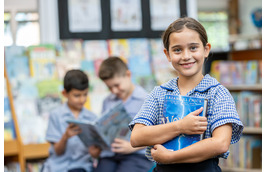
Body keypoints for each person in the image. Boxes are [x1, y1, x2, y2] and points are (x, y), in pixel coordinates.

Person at [129, 17, 244, 172]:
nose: (185, 56)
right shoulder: (159, 93)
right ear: (167, 54)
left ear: (206, 49)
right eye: (177, 50)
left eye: (193, 48)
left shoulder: (217, 93)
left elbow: (220, 143)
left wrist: (171, 157)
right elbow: (137, 137)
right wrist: (180, 126)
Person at [89, 57, 154, 172]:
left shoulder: (146, 99)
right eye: (109, 88)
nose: (114, 91)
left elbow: (156, 134)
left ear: (128, 75)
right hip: (110, 154)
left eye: (117, 85)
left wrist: (132, 146)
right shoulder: (107, 101)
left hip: (137, 155)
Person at [43, 69, 97, 172]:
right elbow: (58, 152)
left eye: (85, 94)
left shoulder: (92, 118)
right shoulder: (56, 115)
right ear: (65, 93)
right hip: (58, 167)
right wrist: (65, 137)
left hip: (82, 167)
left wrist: (95, 152)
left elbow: (94, 154)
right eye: (77, 96)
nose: (82, 100)